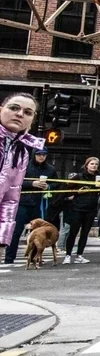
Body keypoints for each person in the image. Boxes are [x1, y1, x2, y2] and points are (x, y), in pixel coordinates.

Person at [0, 93, 44, 265]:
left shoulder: (21, 152)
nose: (19, 114)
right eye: (14, 108)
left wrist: (3, 238)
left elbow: (10, 199)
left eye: (27, 112)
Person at [5, 147, 56, 264]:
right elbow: (13, 181)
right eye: (39, 154)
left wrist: (48, 187)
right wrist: (31, 183)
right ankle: (9, 258)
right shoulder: (24, 167)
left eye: (44, 154)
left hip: (39, 204)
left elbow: (57, 184)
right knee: (16, 231)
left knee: (39, 234)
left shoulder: (50, 169)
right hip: (23, 203)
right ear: (34, 155)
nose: (41, 156)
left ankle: (34, 258)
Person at [62, 156, 100, 264]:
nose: (94, 166)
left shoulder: (99, 178)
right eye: (92, 164)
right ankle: (68, 254)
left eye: (96, 164)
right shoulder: (78, 177)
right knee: (73, 232)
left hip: (91, 209)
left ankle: (79, 255)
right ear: (86, 165)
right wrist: (77, 192)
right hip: (77, 208)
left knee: (85, 233)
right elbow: (67, 191)